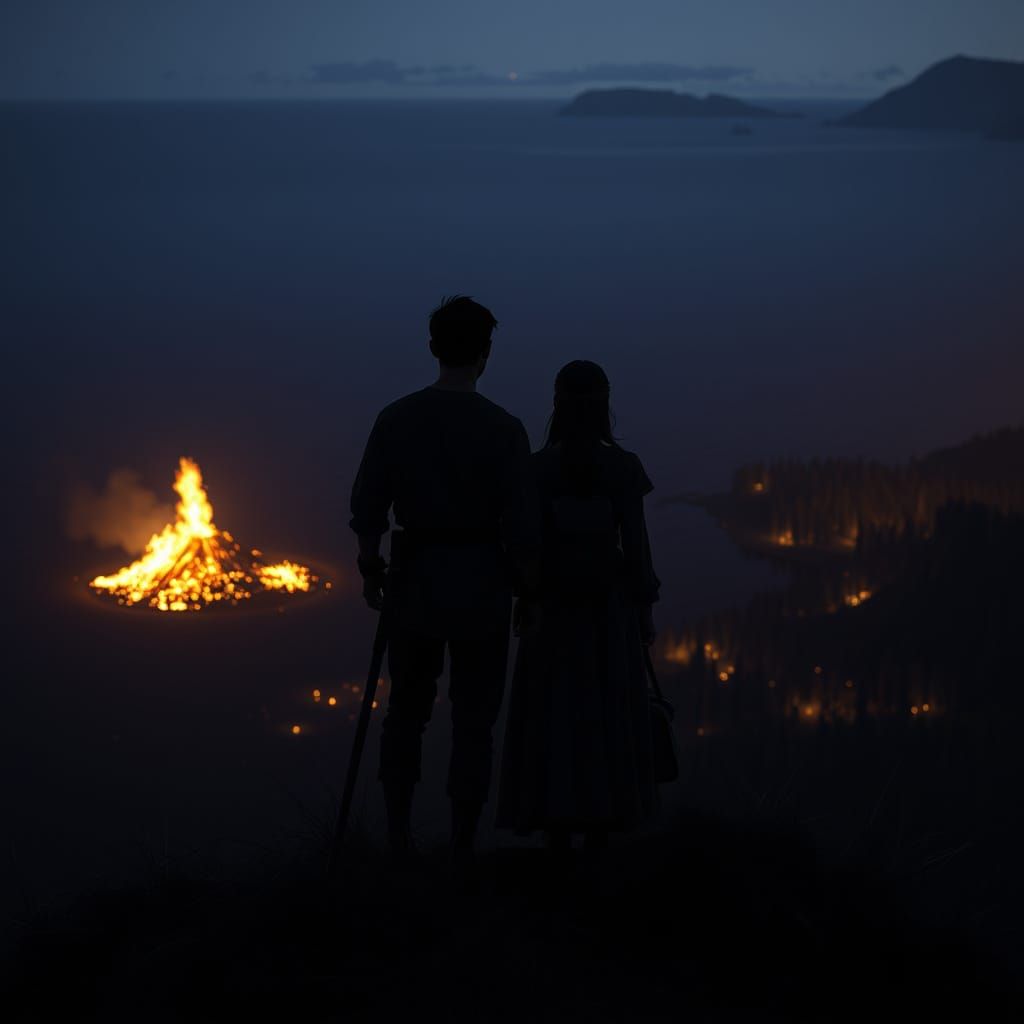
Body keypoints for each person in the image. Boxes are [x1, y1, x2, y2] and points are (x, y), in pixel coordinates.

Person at [349, 295, 539, 864]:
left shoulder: (397, 418)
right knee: (475, 720)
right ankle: (461, 841)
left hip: (415, 578)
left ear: (433, 347)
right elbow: (523, 523)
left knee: (406, 709)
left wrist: (370, 565)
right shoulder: (505, 429)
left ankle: (398, 834)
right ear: (486, 353)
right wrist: (527, 591)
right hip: (483, 583)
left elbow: (368, 503)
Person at [496, 359, 660, 852]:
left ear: (557, 404)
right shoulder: (624, 469)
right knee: (607, 709)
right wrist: (644, 608)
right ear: (605, 405)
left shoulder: (538, 468)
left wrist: (527, 598)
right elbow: (637, 545)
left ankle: (555, 827)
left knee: (554, 711)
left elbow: (525, 542)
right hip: (608, 610)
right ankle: (603, 826)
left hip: (552, 606)